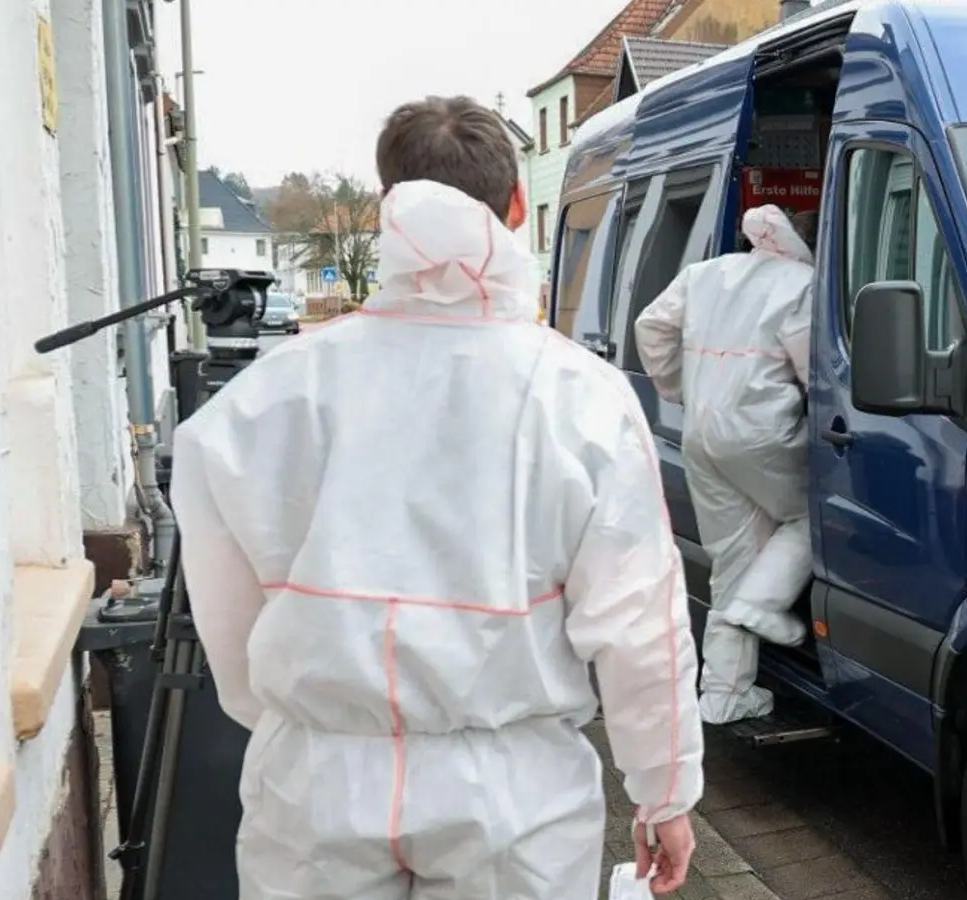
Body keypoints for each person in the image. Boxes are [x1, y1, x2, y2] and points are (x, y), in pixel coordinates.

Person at [170, 95, 702, 900]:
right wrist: (664, 791)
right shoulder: (579, 396)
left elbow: (225, 608)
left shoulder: (268, 396)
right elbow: (639, 621)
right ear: (518, 208)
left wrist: (301, 717)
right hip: (511, 794)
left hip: (315, 783)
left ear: (389, 212)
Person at [633, 204, 816, 725]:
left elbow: (651, 326)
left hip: (701, 433)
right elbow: (815, 372)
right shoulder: (801, 282)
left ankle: (724, 694)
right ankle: (762, 604)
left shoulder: (707, 272)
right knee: (814, 515)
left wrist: (678, 387)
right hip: (762, 431)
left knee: (733, 558)